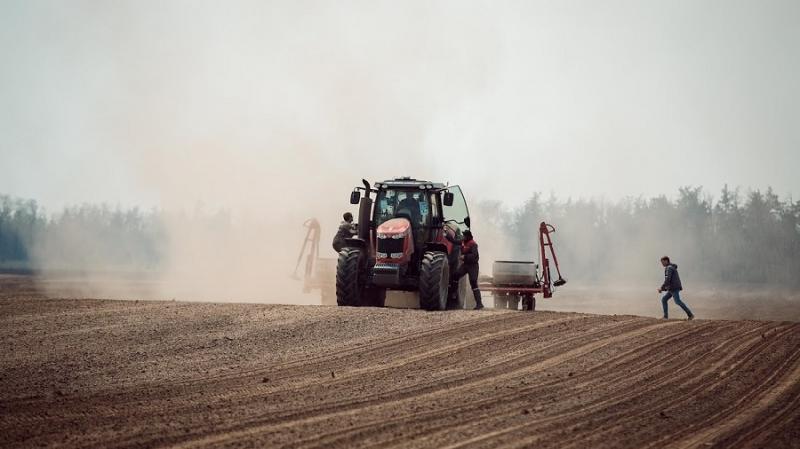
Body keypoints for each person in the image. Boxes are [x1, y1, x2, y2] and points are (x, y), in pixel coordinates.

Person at [658, 256, 694, 320]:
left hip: (673, 288)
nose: (662, 264)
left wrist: (661, 288)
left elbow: (668, 279)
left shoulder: (669, 268)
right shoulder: (671, 267)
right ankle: (665, 316)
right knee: (664, 299)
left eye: (662, 262)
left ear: (666, 261)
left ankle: (690, 315)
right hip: (672, 288)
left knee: (677, 301)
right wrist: (665, 288)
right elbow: (669, 280)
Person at [456, 230, 484, 310]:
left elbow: (474, 256)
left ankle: (479, 304)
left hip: (473, 266)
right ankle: (453, 295)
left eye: (464, 236)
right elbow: (454, 241)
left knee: (473, 283)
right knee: (456, 275)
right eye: (463, 236)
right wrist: (447, 235)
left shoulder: (473, 244)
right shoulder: (463, 242)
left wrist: (465, 257)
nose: (463, 237)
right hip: (466, 265)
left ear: (468, 236)